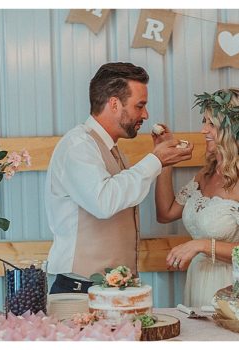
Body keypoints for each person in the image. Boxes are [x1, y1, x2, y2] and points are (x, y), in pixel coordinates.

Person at [45, 62, 193, 294]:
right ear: (114, 104)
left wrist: (164, 161)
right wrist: (155, 160)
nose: (145, 114)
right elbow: (104, 202)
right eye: (140, 105)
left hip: (110, 290)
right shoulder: (78, 146)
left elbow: (124, 192)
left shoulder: (114, 151)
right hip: (81, 292)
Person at [154, 88, 239, 308]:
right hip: (198, 282)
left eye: (211, 124)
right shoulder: (205, 174)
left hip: (230, 287)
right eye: (204, 121)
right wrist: (164, 160)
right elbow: (165, 213)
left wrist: (201, 245)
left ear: (233, 128)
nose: (203, 130)